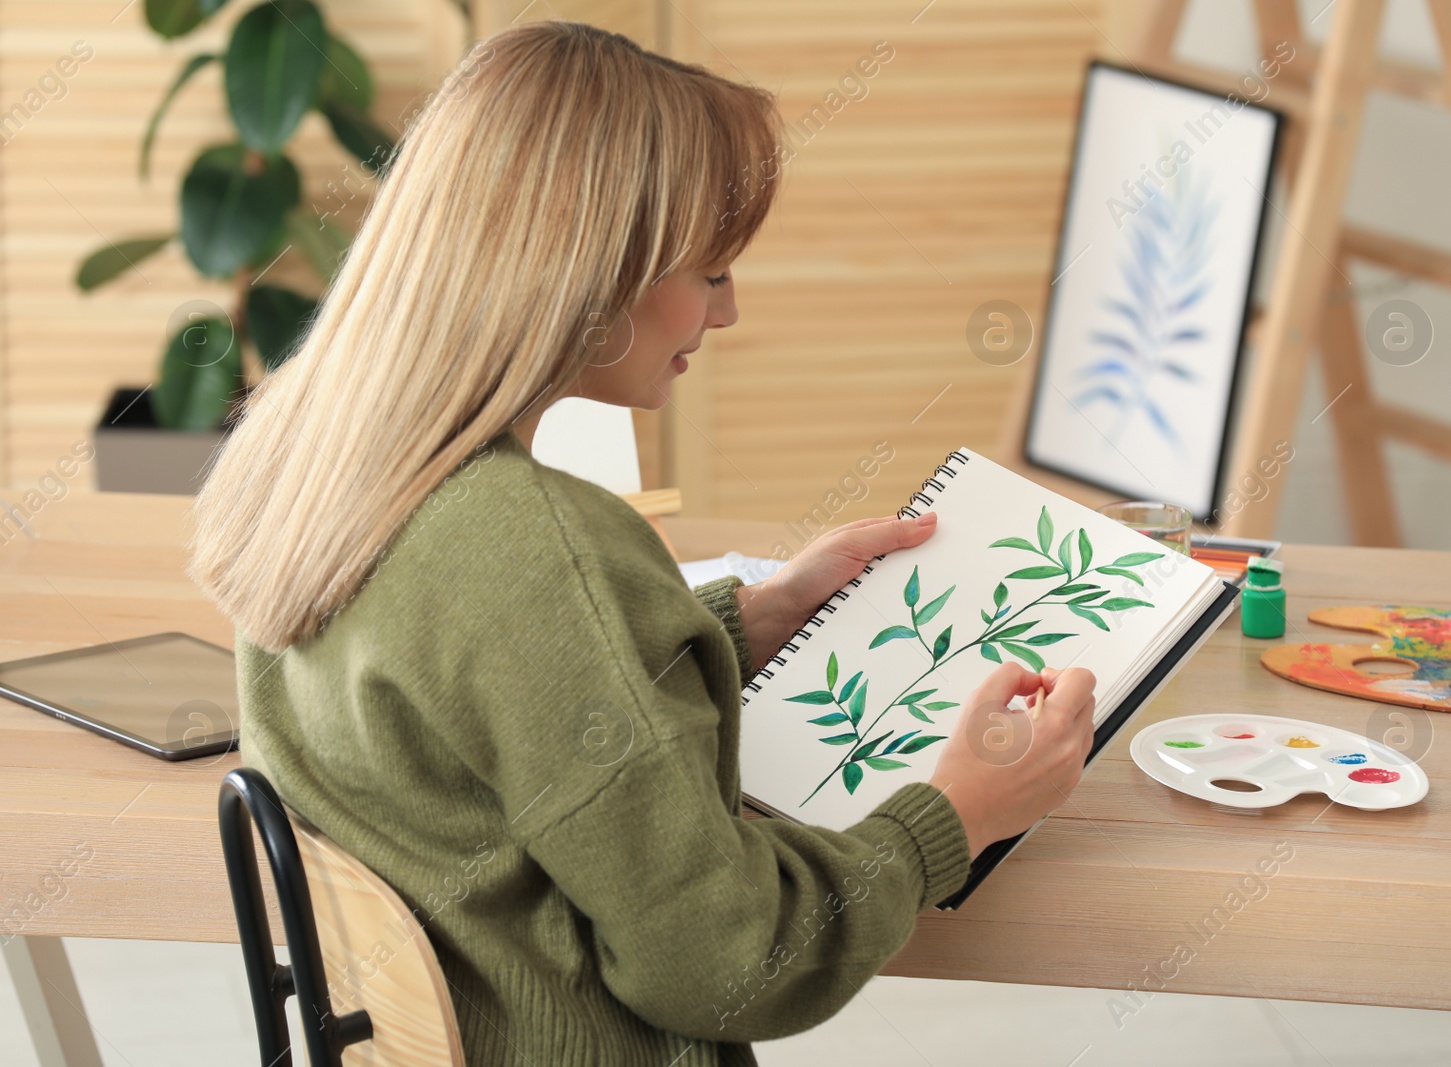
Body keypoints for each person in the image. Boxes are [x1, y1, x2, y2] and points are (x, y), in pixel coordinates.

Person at [188, 19, 1097, 1067]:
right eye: (711, 273)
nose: (731, 310)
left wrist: (735, 622)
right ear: (589, 271)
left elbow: (462, 698)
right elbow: (728, 958)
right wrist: (953, 815)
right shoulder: (535, 544)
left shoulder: (311, 452)